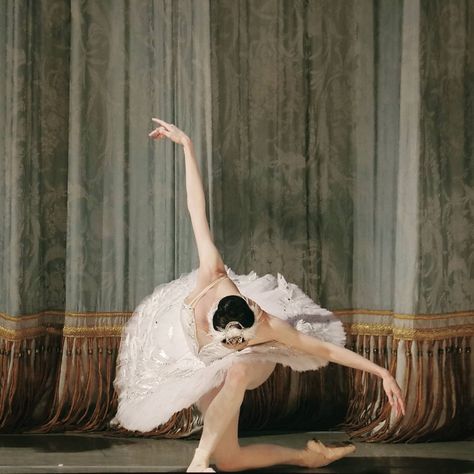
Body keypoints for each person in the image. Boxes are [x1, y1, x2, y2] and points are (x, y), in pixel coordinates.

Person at [110, 118, 406, 472]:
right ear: (215, 326)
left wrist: (381, 373)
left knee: (236, 370)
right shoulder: (210, 274)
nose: (236, 343)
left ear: (253, 310)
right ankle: (309, 457)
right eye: (232, 341)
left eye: (241, 339)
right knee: (231, 460)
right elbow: (195, 207)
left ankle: (197, 464)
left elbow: (326, 350)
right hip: (201, 361)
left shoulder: (267, 327)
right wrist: (187, 146)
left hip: (253, 366)